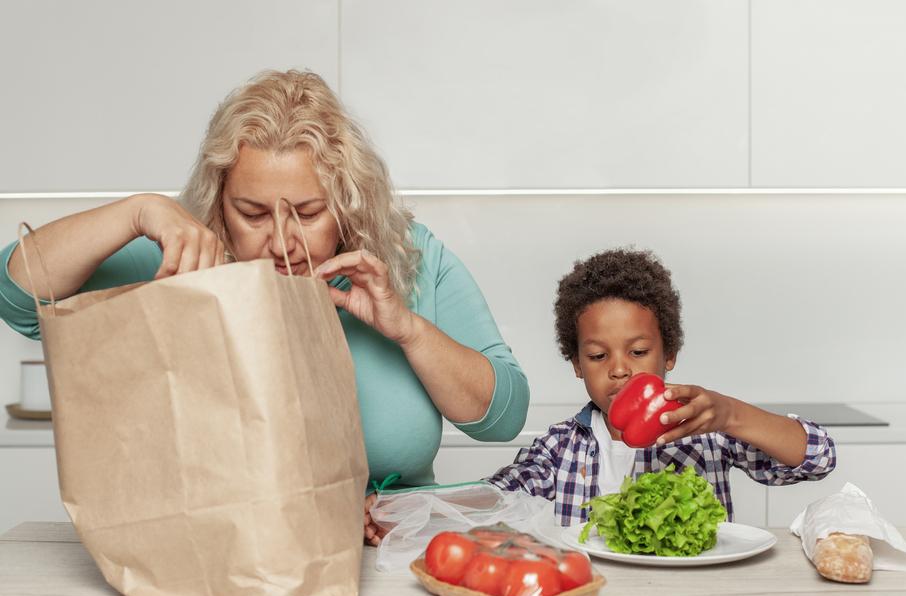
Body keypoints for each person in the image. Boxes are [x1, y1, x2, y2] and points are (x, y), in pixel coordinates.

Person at [0, 70, 529, 544]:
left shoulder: (407, 259)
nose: (281, 240)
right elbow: (20, 299)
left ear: (349, 203)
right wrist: (139, 212)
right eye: (251, 213)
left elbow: (503, 417)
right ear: (218, 203)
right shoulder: (185, 252)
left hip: (392, 562)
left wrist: (408, 330)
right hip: (223, 565)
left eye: (308, 212)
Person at [488, 248, 835, 526]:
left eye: (638, 352)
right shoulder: (558, 447)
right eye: (597, 356)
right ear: (577, 364)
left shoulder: (705, 433)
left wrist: (731, 415)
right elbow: (496, 497)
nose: (620, 369)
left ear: (669, 354)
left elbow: (818, 458)